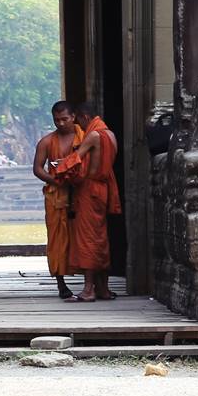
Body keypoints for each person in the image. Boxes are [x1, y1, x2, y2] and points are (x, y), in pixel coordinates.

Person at [63, 103, 120, 302]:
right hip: (103, 189)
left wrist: (58, 170)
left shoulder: (94, 135)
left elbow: (76, 158)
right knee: (100, 238)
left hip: (89, 189)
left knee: (88, 239)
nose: (79, 125)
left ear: (85, 117)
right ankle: (103, 288)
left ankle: (88, 290)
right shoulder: (110, 135)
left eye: (79, 120)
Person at [32, 101, 82, 299]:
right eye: (56, 120)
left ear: (74, 117)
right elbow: (37, 168)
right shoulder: (46, 142)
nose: (61, 124)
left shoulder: (85, 138)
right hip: (56, 195)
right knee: (57, 239)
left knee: (83, 237)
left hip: (80, 192)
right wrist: (56, 181)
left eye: (65, 119)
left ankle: (90, 283)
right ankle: (61, 282)